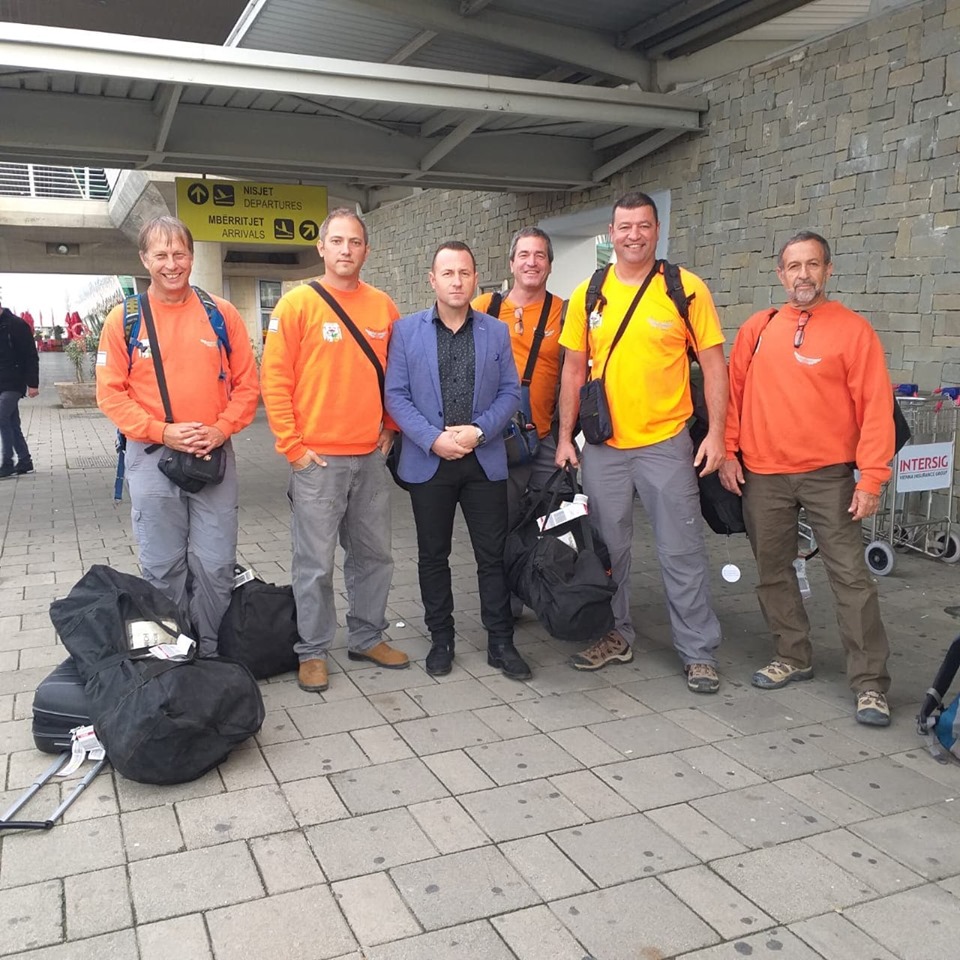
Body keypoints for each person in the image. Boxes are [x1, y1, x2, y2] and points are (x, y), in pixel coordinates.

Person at [720, 231, 894, 726]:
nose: (803, 274)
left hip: (828, 476)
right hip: (763, 474)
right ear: (781, 274)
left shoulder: (854, 331)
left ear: (828, 270)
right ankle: (792, 655)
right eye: (794, 266)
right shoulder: (758, 328)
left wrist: (871, 478)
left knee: (851, 578)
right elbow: (733, 397)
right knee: (773, 572)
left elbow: (875, 408)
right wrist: (729, 453)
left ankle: (870, 684)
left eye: (812, 264)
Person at [555, 192, 728, 693]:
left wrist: (718, 434)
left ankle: (698, 651)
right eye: (625, 227)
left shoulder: (684, 288)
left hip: (666, 444)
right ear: (611, 233)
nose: (634, 235)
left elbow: (714, 365)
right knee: (608, 551)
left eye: (643, 226)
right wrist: (565, 438)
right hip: (603, 447)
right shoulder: (588, 293)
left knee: (681, 551)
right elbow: (572, 371)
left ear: (657, 230)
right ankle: (614, 634)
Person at [261, 208, 408, 694]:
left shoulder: (383, 307)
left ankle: (367, 636)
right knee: (315, 563)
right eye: (338, 241)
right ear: (321, 247)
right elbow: (275, 380)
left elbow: (398, 376)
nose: (346, 249)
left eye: (355, 242)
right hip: (316, 462)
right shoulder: (296, 305)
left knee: (374, 555)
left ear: (366, 250)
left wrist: (391, 428)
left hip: (369, 457)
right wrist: (293, 448)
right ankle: (312, 650)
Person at [97, 216, 259, 654]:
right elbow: (110, 395)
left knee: (215, 564)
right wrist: (163, 432)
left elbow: (248, 386)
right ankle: (173, 652)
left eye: (180, 254)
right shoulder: (124, 319)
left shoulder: (220, 314)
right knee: (162, 566)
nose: (172, 264)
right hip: (151, 457)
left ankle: (208, 650)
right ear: (144, 259)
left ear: (191, 256)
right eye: (161, 255)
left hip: (212, 456)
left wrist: (220, 429)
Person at [385, 241, 530, 680]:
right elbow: (396, 395)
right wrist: (433, 440)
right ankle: (441, 639)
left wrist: (479, 431)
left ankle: (501, 642)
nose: (456, 281)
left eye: (464, 273)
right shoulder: (406, 331)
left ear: (475, 279)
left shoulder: (495, 331)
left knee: (492, 555)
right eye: (447, 273)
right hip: (429, 461)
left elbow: (510, 391)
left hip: (483, 459)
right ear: (432, 280)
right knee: (433, 555)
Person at [472, 227, 568, 616]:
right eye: (524, 255)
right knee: (503, 520)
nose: (532, 262)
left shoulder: (564, 311)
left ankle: (549, 591)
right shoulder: (484, 306)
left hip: (545, 435)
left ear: (550, 265)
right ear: (511, 263)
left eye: (540, 255)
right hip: (498, 437)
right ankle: (504, 604)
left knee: (552, 517)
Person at [0, 301, 40, 479]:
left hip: (14, 382)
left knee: (2, 417)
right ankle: (25, 460)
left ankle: (7, 463)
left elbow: (30, 355)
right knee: (11, 422)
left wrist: (33, 384)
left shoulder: (16, 325)